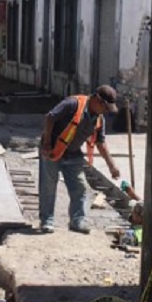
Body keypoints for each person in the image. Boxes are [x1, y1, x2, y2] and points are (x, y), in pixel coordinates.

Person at [38, 85, 121, 234]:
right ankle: (47, 221)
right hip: (52, 151)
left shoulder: (99, 120)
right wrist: (46, 142)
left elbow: (100, 143)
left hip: (73, 154)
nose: (106, 111)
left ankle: (78, 221)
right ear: (97, 99)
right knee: (48, 188)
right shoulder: (73, 104)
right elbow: (50, 117)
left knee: (80, 188)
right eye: (105, 107)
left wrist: (112, 166)